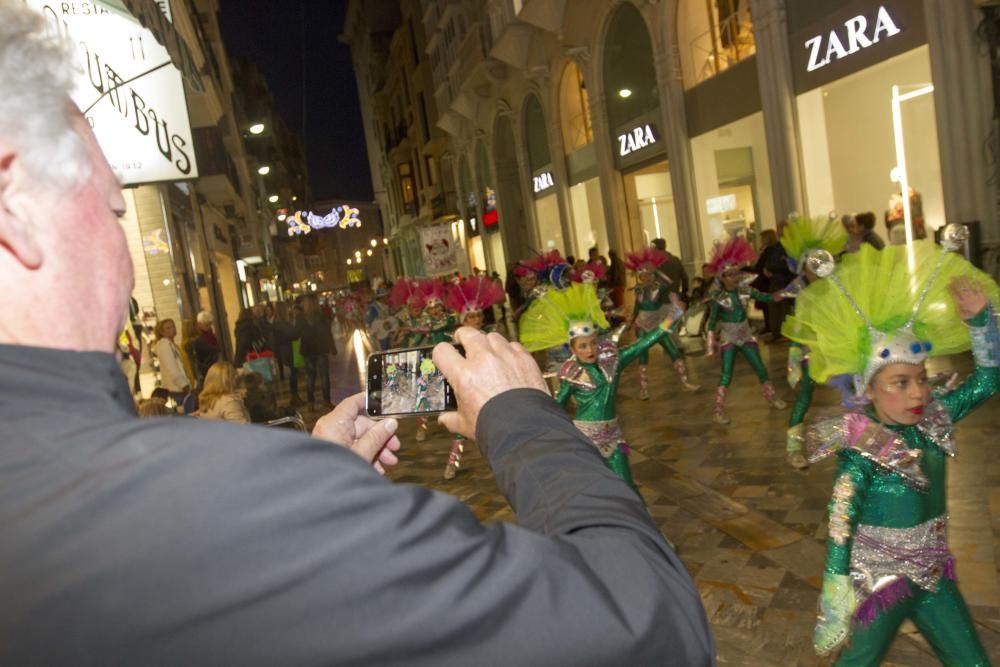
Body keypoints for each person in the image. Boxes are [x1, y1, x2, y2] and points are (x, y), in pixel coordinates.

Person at [0, 5, 713, 664]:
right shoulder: (199, 495)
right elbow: (647, 617)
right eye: (111, 207)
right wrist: (521, 418)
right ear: (17, 207)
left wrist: (305, 488)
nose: (126, 255)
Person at [784, 238, 997, 665]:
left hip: (936, 577)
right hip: (879, 584)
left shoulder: (934, 419)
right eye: (900, 382)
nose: (918, 392)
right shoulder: (863, 448)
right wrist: (836, 590)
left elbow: (988, 381)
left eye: (921, 378)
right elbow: (841, 521)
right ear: (870, 389)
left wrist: (981, 324)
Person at [519, 281, 683, 493]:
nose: (590, 350)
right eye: (583, 346)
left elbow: (643, 344)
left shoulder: (613, 361)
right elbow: (556, 405)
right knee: (592, 491)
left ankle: (638, 524)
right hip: (585, 442)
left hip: (614, 438)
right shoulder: (571, 374)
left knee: (628, 487)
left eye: (593, 343)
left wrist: (671, 318)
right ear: (573, 348)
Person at [776, 214, 847, 469]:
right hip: (809, 350)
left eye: (821, 265)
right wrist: (794, 361)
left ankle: (859, 444)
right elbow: (796, 329)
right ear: (804, 267)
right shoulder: (800, 289)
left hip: (838, 347)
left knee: (854, 393)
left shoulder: (836, 286)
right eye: (812, 266)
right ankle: (793, 448)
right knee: (804, 397)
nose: (817, 271)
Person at [705, 236, 787, 424]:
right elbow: (711, 321)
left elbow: (765, 297)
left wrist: (780, 295)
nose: (734, 277)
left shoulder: (745, 290)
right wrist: (710, 344)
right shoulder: (718, 297)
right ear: (722, 278)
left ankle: (771, 396)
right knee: (726, 374)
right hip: (728, 338)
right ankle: (718, 410)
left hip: (746, 334)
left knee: (760, 367)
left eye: (736, 273)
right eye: (730, 274)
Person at [624, 247, 699, 398]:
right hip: (642, 327)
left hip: (658, 326)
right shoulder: (637, 289)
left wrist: (656, 270)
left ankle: (685, 383)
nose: (645, 276)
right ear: (639, 276)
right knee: (643, 357)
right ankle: (643, 389)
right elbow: (638, 307)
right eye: (642, 274)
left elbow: (669, 282)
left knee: (674, 352)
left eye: (649, 273)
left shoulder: (660, 286)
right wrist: (630, 322)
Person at [753, 228, 794, 342]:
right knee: (773, 309)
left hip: (780, 282)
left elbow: (783, 264)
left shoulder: (780, 248)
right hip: (772, 282)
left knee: (781, 309)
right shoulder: (773, 249)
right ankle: (776, 333)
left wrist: (769, 269)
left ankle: (783, 334)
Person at [299, 294, 336, 409]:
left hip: (307, 351)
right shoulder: (321, 316)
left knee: (311, 377)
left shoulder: (301, 318)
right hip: (321, 349)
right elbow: (327, 333)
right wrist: (332, 347)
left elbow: (298, 333)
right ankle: (327, 401)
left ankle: (310, 402)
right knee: (324, 376)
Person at [152, 318, 192, 405]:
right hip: (178, 389)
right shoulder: (164, 346)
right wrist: (184, 385)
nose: (173, 329)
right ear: (161, 332)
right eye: (168, 328)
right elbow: (172, 368)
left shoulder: (172, 344)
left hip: (181, 387)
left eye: (173, 326)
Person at [193, 310, 221, 381]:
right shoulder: (198, 337)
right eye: (206, 324)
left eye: (210, 324)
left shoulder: (210, 334)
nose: (208, 326)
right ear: (199, 324)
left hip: (213, 364)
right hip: (206, 367)